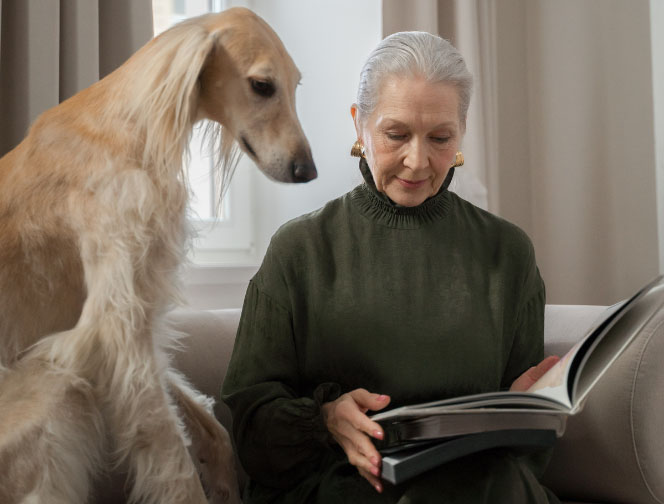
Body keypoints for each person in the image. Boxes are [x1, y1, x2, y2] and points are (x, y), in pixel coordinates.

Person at [221, 31, 561, 503]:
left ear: (462, 131)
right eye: (396, 134)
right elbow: (250, 428)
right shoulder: (300, 249)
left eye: (440, 138)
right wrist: (324, 420)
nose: (417, 160)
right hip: (339, 486)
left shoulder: (508, 253)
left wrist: (529, 415)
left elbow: (526, 460)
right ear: (359, 125)